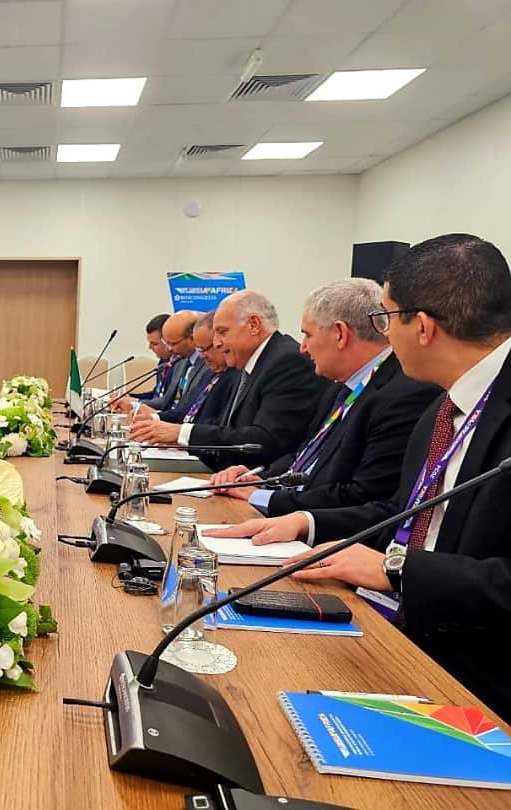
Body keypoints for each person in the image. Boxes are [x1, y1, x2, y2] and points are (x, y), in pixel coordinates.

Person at [207, 234, 511, 721]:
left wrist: (397, 570)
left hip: (478, 679)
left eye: (386, 318)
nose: (383, 336)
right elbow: (401, 511)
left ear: (423, 326)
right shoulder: (443, 406)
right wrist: (306, 522)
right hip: (401, 633)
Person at [208, 279, 439, 515]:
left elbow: (362, 496)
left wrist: (262, 497)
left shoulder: (402, 396)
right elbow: (304, 455)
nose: (302, 348)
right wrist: (258, 479)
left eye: (307, 335)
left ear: (340, 334)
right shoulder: (340, 387)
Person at [130, 290, 330, 469]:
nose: (217, 343)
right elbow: (228, 428)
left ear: (254, 325)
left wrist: (183, 434)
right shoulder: (249, 362)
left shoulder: (286, 362)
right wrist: (181, 439)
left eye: (222, 332)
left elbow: (264, 440)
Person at [138, 311, 239, 425]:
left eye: (204, 349)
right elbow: (184, 410)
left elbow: (217, 426)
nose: (202, 355)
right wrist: (153, 418)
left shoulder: (232, 375)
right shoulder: (207, 372)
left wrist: (180, 432)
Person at [115, 311, 200, 413]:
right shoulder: (178, 362)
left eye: (172, 343)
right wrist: (131, 399)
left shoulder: (199, 365)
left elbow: (173, 406)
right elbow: (163, 398)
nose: (170, 348)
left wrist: (136, 404)